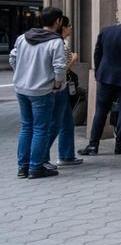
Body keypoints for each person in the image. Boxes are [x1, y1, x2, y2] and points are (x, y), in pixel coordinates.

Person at [78, 9, 121, 156]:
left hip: (106, 77)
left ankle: (93, 145)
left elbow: (97, 53)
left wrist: (98, 73)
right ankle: (120, 144)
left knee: (101, 111)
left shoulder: (106, 31)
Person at [12, 7, 68, 179]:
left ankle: (23, 167)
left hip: (21, 88)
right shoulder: (55, 42)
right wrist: (57, 85)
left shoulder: (23, 37)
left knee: (27, 126)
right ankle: (36, 167)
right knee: (40, 129)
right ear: (58, 22)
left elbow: (12, 58)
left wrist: (21, 73)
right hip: (42, 90)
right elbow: (59, 67)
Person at [48, 16, 81, 168]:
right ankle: (40, 157)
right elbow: (60, 68)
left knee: (67, 122)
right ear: (62, 26)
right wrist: (73, 60)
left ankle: (66, 155)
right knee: (54, 123)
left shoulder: (59, 42)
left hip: (63, 86)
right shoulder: (58, 43)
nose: (70, 29)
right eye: (69, 26)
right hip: (59, 87)